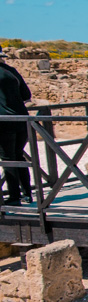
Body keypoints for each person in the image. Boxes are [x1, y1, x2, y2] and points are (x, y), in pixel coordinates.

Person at [0, 52, 33, 206]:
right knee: (18, 156)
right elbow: (26, 95)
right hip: (22, 119)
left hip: (4, 122)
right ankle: (27, 193)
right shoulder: (11, 71)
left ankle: (14, 197)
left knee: (8, 159)